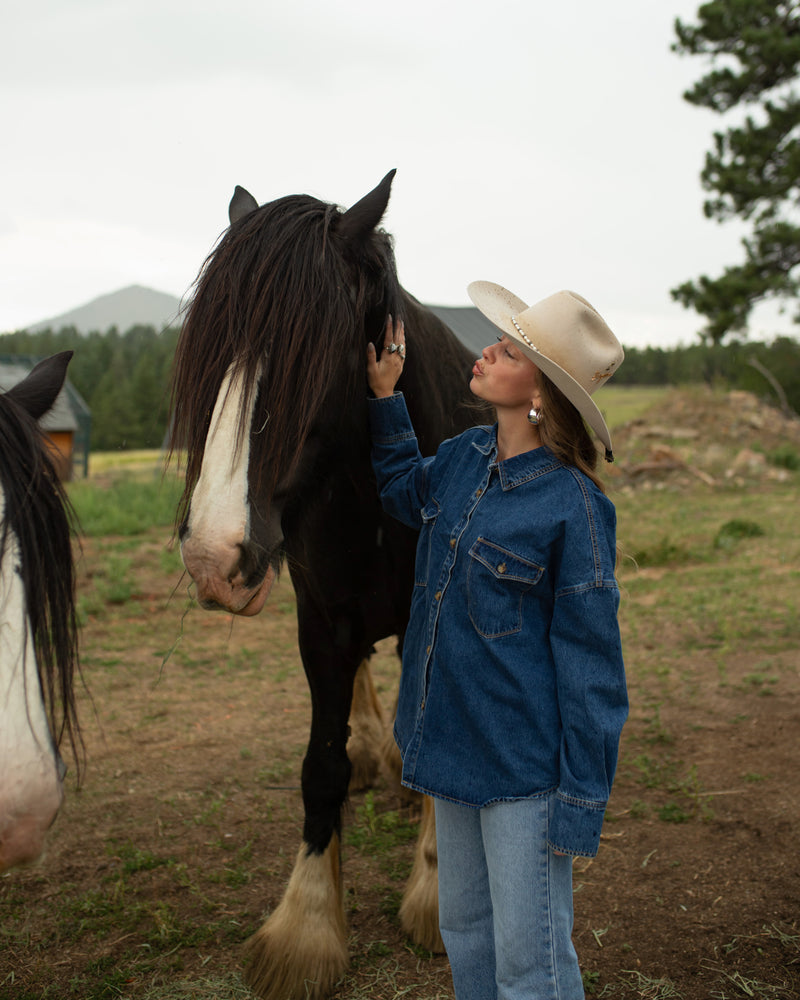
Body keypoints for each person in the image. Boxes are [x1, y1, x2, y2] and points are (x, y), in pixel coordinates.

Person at [365, 282, 628, 1000]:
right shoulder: (461, 458)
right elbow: (400, 490)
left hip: (523, 775)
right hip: (448, 749)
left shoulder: (576, 508)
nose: (486, 350)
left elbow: (593, 670)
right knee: (467, 937)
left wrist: (579, 802)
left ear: (540, 391)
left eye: (509, 349)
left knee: (529, 965)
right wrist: (386, 398)